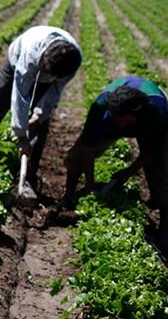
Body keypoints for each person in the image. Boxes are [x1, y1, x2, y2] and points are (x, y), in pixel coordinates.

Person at [0, 25, 82, 198]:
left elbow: (55, 92)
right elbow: (19, 96)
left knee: (41, 127)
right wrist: (21, 136)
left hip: (49, 73)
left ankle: (28, 178)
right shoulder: (30, 55)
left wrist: (39, 115)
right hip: (14, 64)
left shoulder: (72, 62)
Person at [60, 76, 168, 249]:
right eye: (115, 117)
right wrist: (90, 185)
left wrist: (127, 172)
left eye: (123, 119)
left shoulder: (156, 111)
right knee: (76, 157)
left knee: (162, 174)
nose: (119, 123)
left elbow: (151, 152)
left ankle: (164, 231)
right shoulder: (102, 105)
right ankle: (67, 198)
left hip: (150, 126)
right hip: (108, 123)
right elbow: (88, 147)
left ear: (135, 114)